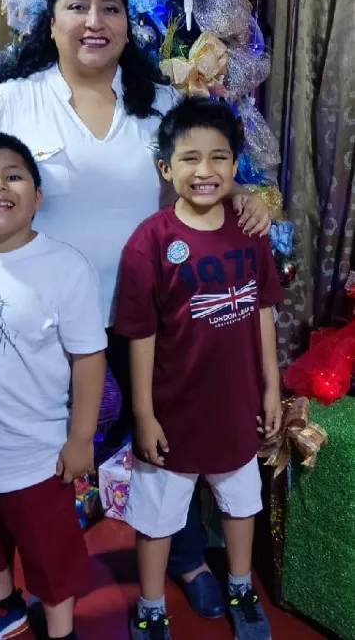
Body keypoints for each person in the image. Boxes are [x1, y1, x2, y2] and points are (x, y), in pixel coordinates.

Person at [0, 0, 271, 618]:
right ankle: (31, 586)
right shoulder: (16, 99)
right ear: (53, 20)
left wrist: (245, 198)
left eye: (110, 8)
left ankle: (182, 559)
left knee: (168, 446)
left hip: (154, 319)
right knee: (41, 459)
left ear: (129, 25)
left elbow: (201, 167)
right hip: (40, 322)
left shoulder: (158, 104)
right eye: (77, 6)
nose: (93, 21)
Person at [115, 97, 283, 640]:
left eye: (219, 158)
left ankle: (240, 587)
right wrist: (144, 413)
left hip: (237, 408)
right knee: (157, 516)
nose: (205, 171)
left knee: (241, 504)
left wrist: (271, 391)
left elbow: (262, 313)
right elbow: (140, 334)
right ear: (166, 168)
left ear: (235, 166)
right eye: (189, 159)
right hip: (175, 412)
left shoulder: (249, 232)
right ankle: (149, 605)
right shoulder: (150, 243)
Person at [0, 131, 107, 640]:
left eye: (13, 175)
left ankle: (61, 631)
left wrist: (81, 438)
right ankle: (3, 607)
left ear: (37, 198)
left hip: (36, 457)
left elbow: (88, 359)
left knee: (52, 558)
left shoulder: (65, 267)